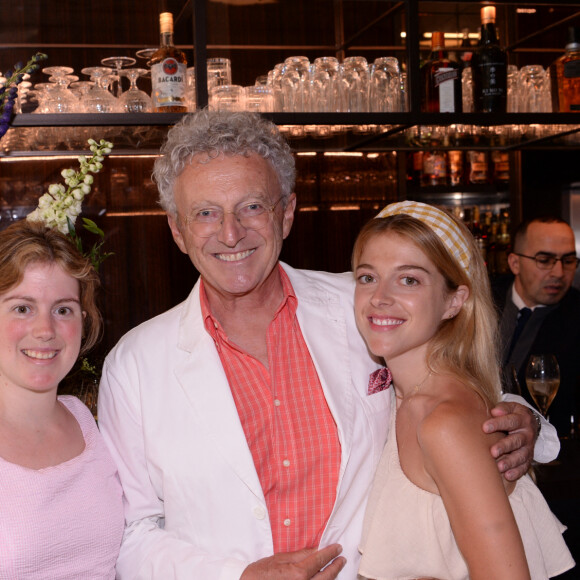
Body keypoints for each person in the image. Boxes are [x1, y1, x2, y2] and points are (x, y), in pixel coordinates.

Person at [97, 110, 558, 580]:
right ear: (178, 230)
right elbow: (133, 534)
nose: (231, 232)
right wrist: (238, 576)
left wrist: (520, 420)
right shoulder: (135, 364)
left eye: (252, 206)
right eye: (206, 213)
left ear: (288, 213)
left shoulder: (368, 307)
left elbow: (450, 376)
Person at [354, 201, 575, 580]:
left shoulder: (444, 422)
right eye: (367, 277)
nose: (380, 297)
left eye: (409, 279)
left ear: (454, 300)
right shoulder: (402, 397)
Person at [0, 219, 124, 579]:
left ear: (84, 322)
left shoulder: (90, 422)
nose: (45, 331)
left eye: (63, 309)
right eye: (23, 308)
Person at [497, 216, 580, 436]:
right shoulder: (480, 301)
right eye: (545, 260)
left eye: (569, 260)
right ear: (514, 263)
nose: (559, 273)